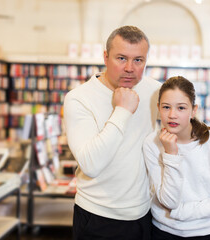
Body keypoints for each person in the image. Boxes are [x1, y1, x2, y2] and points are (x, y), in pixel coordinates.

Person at [64, 25, 161, 240]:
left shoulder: (155, 91)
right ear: (106, 57)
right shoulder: (79, 98)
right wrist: (122, 110)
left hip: (143, 213)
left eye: (138, 60)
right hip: (97, 215)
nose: (130, 68)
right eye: (121, 58)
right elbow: (91, 165)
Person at [143, 76, 210, 240]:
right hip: (162, 232)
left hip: (203, 233)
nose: (172, 115)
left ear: (194, 110)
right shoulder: (151, 143)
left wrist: (181, 212)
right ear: (158, 108)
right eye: (166, 107)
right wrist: (171, 154)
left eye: (181, 108)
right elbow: (169, 201)